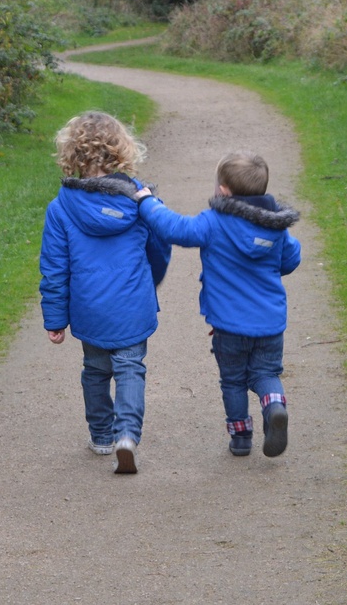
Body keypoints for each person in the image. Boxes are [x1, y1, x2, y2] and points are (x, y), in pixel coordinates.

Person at [134, 151, 300, 458]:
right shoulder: (276, 226)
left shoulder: (214, 222)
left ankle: (241, 437)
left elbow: (175, 229)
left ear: (223, 190)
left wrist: (147, 202)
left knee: (234, 380)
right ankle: (274, 404)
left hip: (229, 324)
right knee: (266, 372)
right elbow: (291, 259)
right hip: (270, 322)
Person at [39, 111, 170, 474]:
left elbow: (54, 268)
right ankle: (127, 433)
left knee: (96, 371)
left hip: (89, 307)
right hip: (132, 304)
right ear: (121, 152)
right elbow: (159, 248)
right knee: (130, 368)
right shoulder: (140, 200)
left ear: (71, 156)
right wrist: (151, 280)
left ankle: (101, 435)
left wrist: (55, 317)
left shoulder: (61, 207)